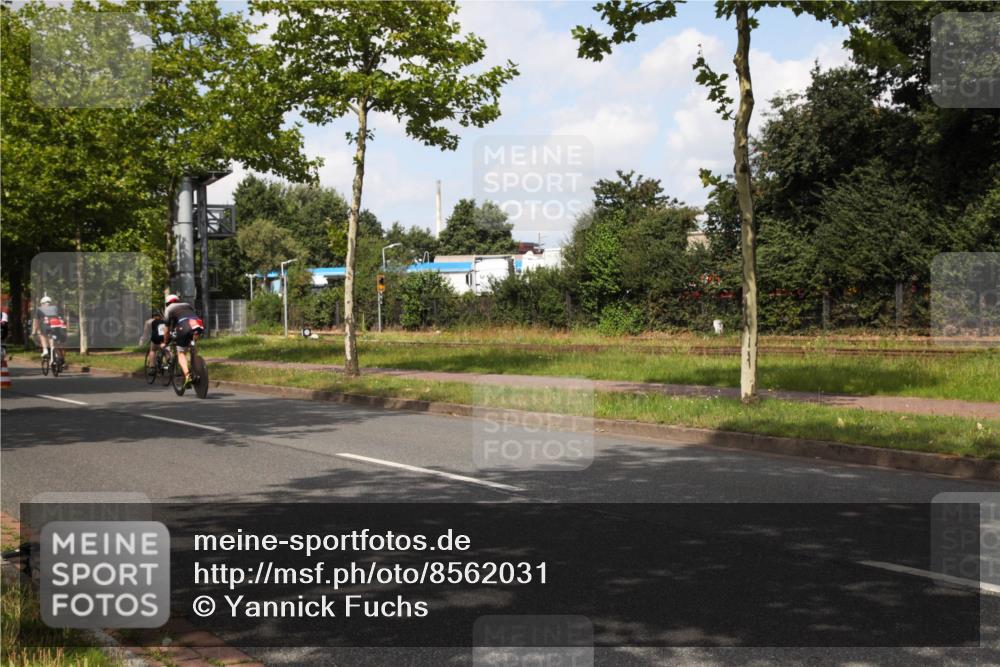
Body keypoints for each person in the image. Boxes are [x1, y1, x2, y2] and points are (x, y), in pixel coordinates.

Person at [164, 294, 204, 387]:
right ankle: (195, 362)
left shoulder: (168, 309)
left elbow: (166, 329)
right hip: (198, 324)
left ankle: (187, 376)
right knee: (192, 344)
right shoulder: (186, 304)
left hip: (184, 326)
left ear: (167, 303)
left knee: (181, 353)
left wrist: (165, 341)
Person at [32, 296, 67, 360]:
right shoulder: (56, 308)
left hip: (46, 325)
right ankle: (54, 351)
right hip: (57, 326)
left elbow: (36, 321)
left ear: (42, 303)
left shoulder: (39, 309)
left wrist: (34, 331)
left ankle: (45, 350)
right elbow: (62, 318)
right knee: (53, 337)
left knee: (42, 335)